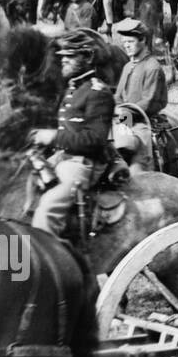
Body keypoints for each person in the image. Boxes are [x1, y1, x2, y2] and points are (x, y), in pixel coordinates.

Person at [30, 31, 117, 240]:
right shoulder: (73, 89)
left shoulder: (98, 93)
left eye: (71, 56)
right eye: (63, 56)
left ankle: (49, 265)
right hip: (64, 157)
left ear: (87, 58)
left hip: (83, 163)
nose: (64, 61)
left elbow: (94, 141)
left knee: (48, 209)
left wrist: (53, 138)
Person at [113, 18, 169, 167]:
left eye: (130, 42)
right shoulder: (128, 66)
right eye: (124, 42)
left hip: (143, 121)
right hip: (125, 118)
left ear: (143, 40)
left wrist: (123, 117)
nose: (126, 46)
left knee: (137, 162)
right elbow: (118, 95)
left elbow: (148, 102)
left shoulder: (152, 67)